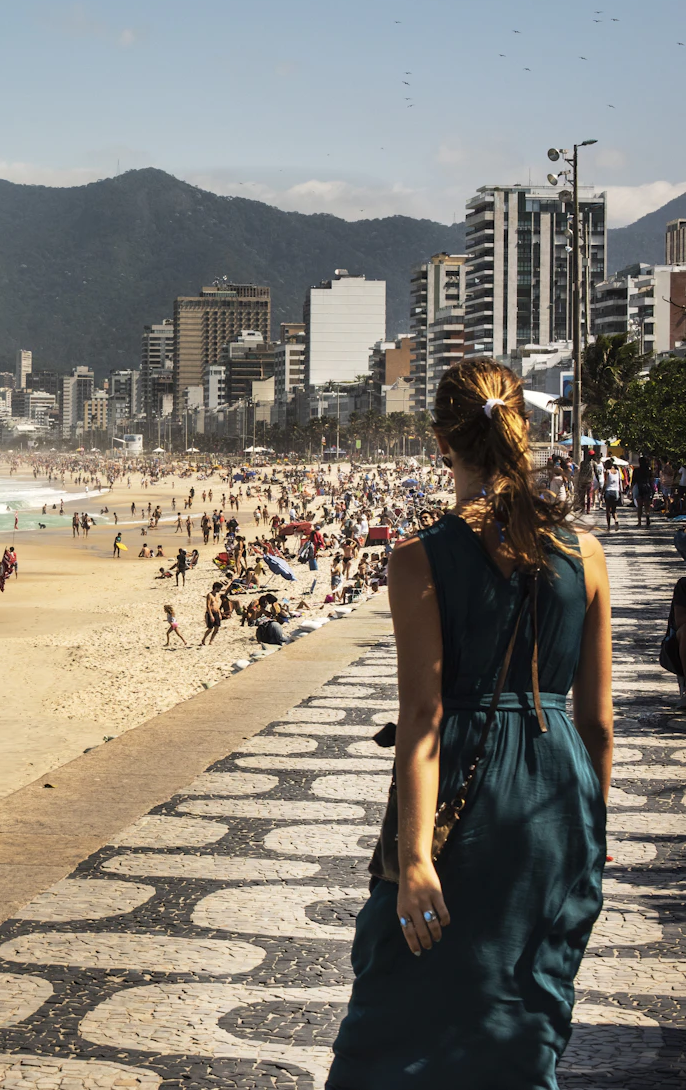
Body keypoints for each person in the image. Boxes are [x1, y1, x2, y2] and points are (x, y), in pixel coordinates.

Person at [330, 357, 612, 1089]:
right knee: (524, 1021)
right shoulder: (587, 554)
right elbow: (598, 721)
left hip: (467, 793)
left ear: (440, 443)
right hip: (561, 802)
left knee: (394, 1020)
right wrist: (594, 827)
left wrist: (416, 858)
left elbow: (423, 716)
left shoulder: (419, 559)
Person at [602, 460, 621, 530]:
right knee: (614, 510)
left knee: (607, 510)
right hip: (616, 492)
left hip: (608, 491)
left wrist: (602, 492)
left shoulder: (607, 472)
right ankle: (616, 520)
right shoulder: (617, 472)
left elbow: (605, 483)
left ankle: (609, 526)